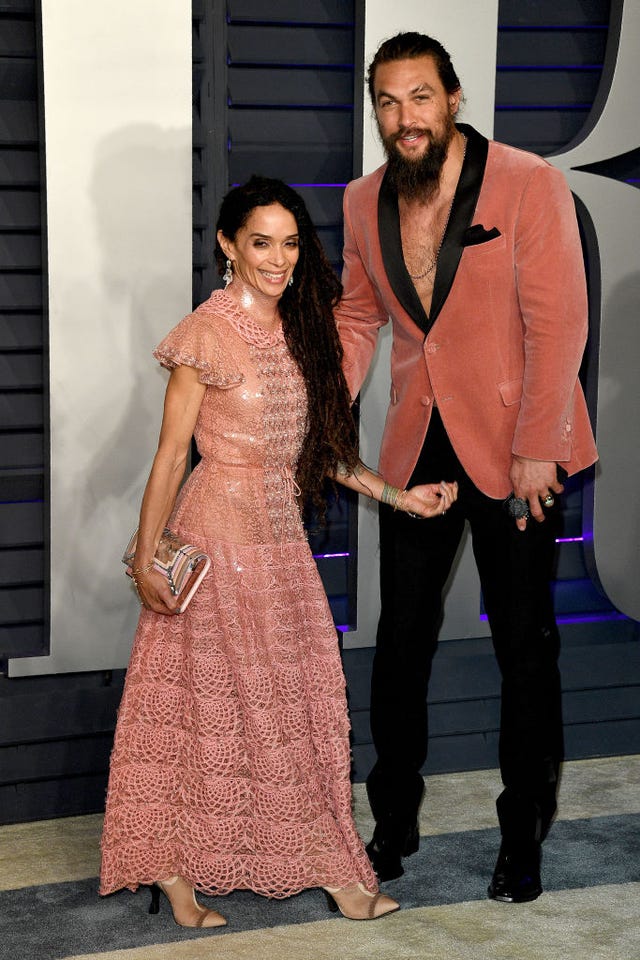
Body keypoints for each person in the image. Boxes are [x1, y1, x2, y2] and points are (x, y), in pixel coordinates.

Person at [99, 175, 457, 928]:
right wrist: (143, 561)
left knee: (298, 707)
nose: (279, 258)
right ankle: (173, 870)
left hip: (280, 543)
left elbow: (317, 449)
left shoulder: (304, 326)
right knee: (201, 710)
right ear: (228, 245)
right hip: (215, 537)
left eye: (290, 243)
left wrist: (400, 496)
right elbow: (169, 457)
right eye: (261, 242)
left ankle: (328, 863)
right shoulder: (204, 332)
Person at [335, 33, 598, 903]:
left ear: (453, 98)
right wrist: (317, 408)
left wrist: (536, 447)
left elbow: (559, 325)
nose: (402, 117)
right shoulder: (362, 199)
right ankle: (393, 822)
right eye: (386, 101)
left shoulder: (527, 181)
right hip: (419, 447)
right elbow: (358, 312)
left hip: (520, 444)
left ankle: (522, 835)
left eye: (419, 97)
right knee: (399, 643)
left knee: (526, 650)